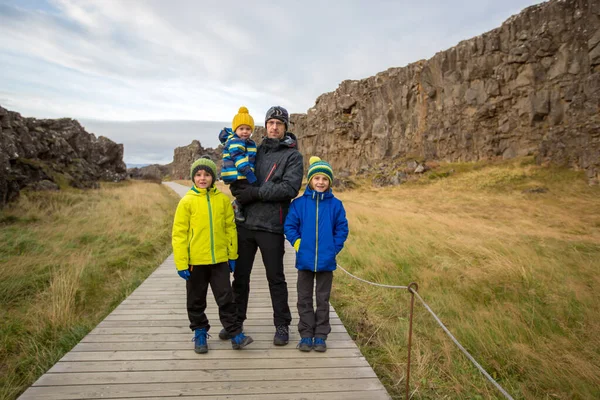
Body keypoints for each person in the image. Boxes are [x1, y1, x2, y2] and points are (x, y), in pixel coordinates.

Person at [220, 106, 304, 346]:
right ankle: (236, 322)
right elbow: (237, 175)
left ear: (285, 127)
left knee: (275, 277)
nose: (274, 127)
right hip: (245, 224)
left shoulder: (293, 156)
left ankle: (282, 325)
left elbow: (289, 189)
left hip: (273, 225)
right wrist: (239, 191)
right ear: (265, 126)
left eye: (279, 123)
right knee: (241, 278)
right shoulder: (254, 149)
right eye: (270, 123)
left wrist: (254, 192)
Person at [172, 156, 253, 353]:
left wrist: (232, 255)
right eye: (198, 175)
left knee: (226, 298)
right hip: (195, 262)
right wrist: (181, 263)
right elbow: (179, 234)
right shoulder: (187, 202)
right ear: (193, 178)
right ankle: (200, 332)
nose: (202, 178)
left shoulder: (222, 201)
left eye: (207, 174)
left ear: (213, 177)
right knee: (196, 299)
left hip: (219, 261)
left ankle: (235, 333)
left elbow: (230, 228)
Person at [284, 156, 349, 352]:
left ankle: (320, 335)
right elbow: (290, 226)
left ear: (329, 182)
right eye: (316, 178)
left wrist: (333, 249)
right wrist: (298, 244)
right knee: (303, 298)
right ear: (310, 181)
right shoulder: (299, 204)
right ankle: (306, 334)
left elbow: (342, 229)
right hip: (304, 260)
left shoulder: (336, 205)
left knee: (323, 299)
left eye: (324, 179)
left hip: (326, 262)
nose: (320, 182)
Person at [218, 106, 258, 222]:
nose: (245, 131)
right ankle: (236, 205)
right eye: (241, 129)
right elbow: (238, 158)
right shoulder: (235, 141)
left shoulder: (247, 142)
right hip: (238, 175)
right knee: (246, 193)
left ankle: (239, 207)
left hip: (240, 175)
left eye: (248, 129)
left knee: (247, 192)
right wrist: (248, 172)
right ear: (235, 130)